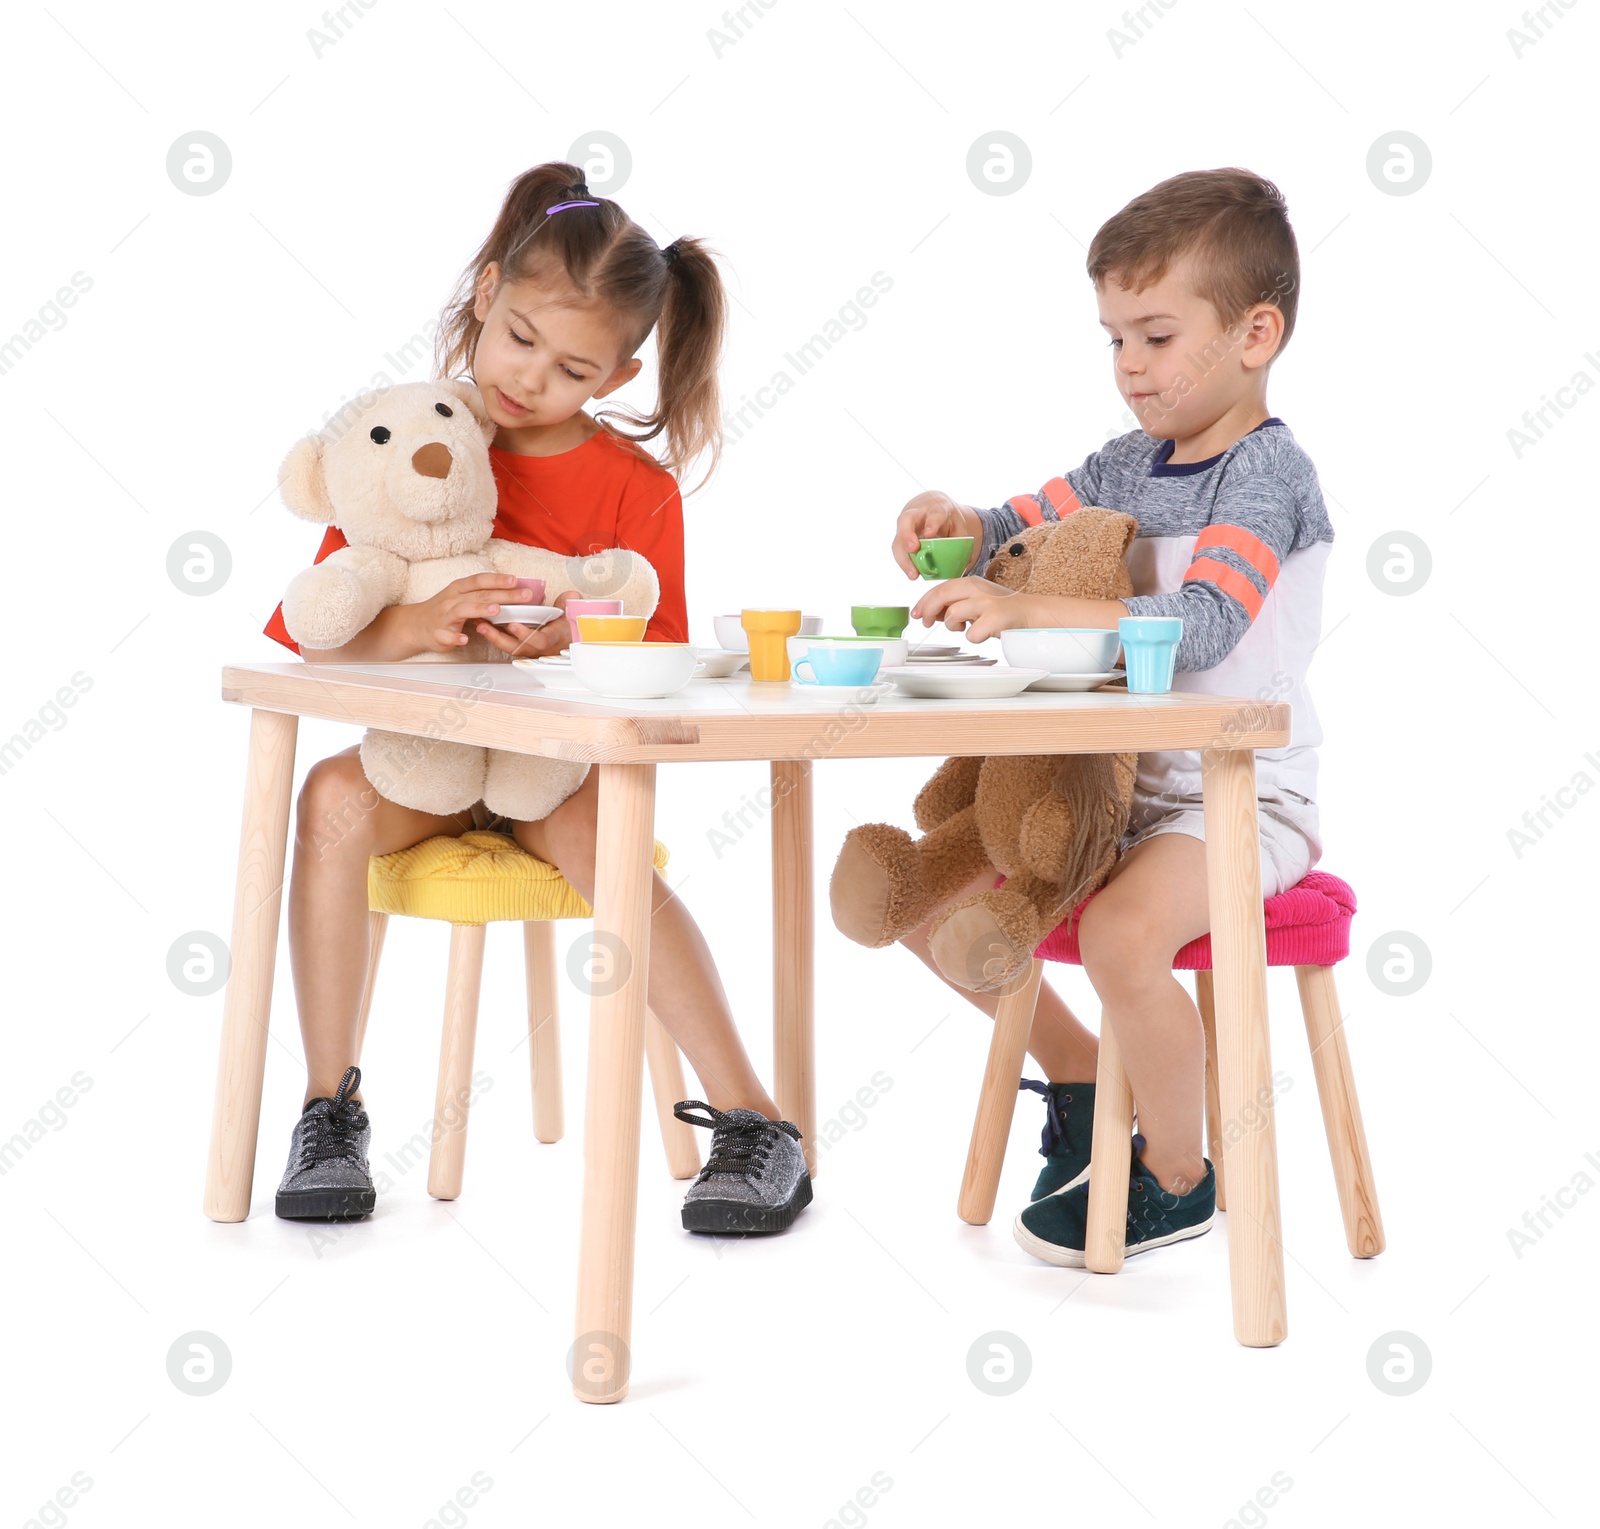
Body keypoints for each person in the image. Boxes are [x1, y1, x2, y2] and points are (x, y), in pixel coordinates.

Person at [260, 162, 810, 1235]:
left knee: (603, 825)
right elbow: (307, 626)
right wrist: (412, 628)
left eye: (569, 367)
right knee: (328, 798)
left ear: (616, 374)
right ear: (484, 294)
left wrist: (569, 639)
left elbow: (658, 651)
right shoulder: (410, 436)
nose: (527, 379)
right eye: (517, 337)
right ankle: (330, 1108)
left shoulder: (630, 490)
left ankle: (755, 1120)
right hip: (424, 761)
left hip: (550, 773)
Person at [889, 168, 1330, 1266]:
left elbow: (1203, 625)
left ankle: (1181, 1173)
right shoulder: (1127, 460)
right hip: (1117, 789)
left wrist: (1035, 603)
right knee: (928, 900)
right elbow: (1014, 529)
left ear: (1254, 333)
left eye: (1155, 335)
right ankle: (1085, 1079)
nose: (1130, 365)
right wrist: (953, 522)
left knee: (1130, 936)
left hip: (1238, 799)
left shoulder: (1264, 474)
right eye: (1114, 339)